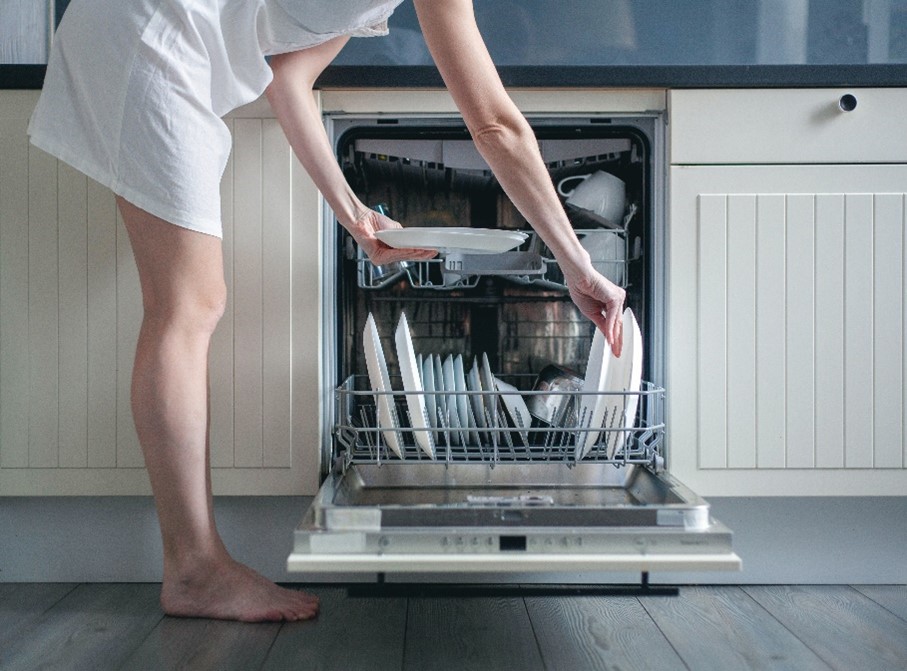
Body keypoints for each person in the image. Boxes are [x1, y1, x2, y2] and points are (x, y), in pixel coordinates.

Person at [28, 0, 625, 623]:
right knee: (187, 304)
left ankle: (194, 565)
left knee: (190, 304)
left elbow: (290, 81)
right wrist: (578, 264)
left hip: (171, 39)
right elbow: (495, 126)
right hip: (147, 28)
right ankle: (195, 570)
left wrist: (355, 211)